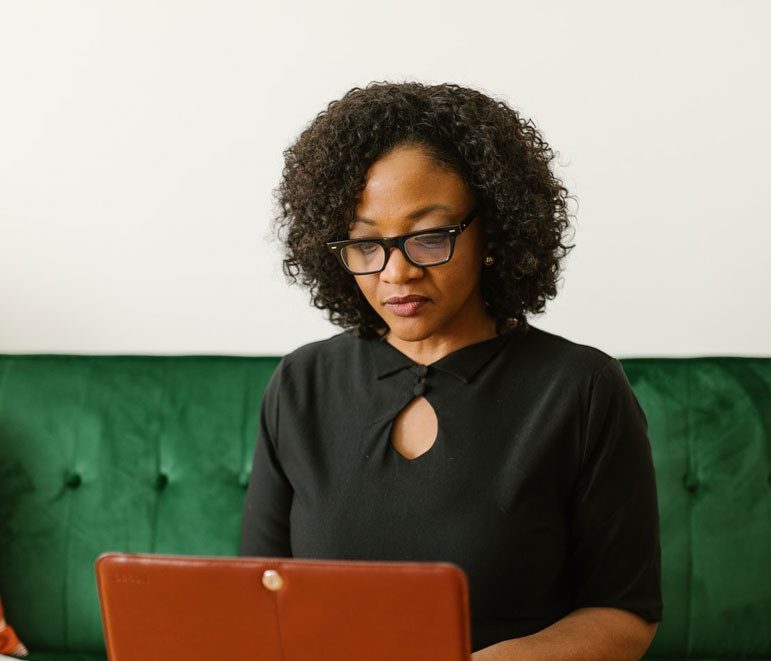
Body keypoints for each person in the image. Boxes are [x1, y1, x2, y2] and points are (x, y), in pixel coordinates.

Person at [239, 81, 662, 660]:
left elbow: (625, 614)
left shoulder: (581, 390)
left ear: (492, 228)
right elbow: (256, 596)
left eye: (429, 236)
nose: (396, 273)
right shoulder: (301, 384)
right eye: (366, 245)